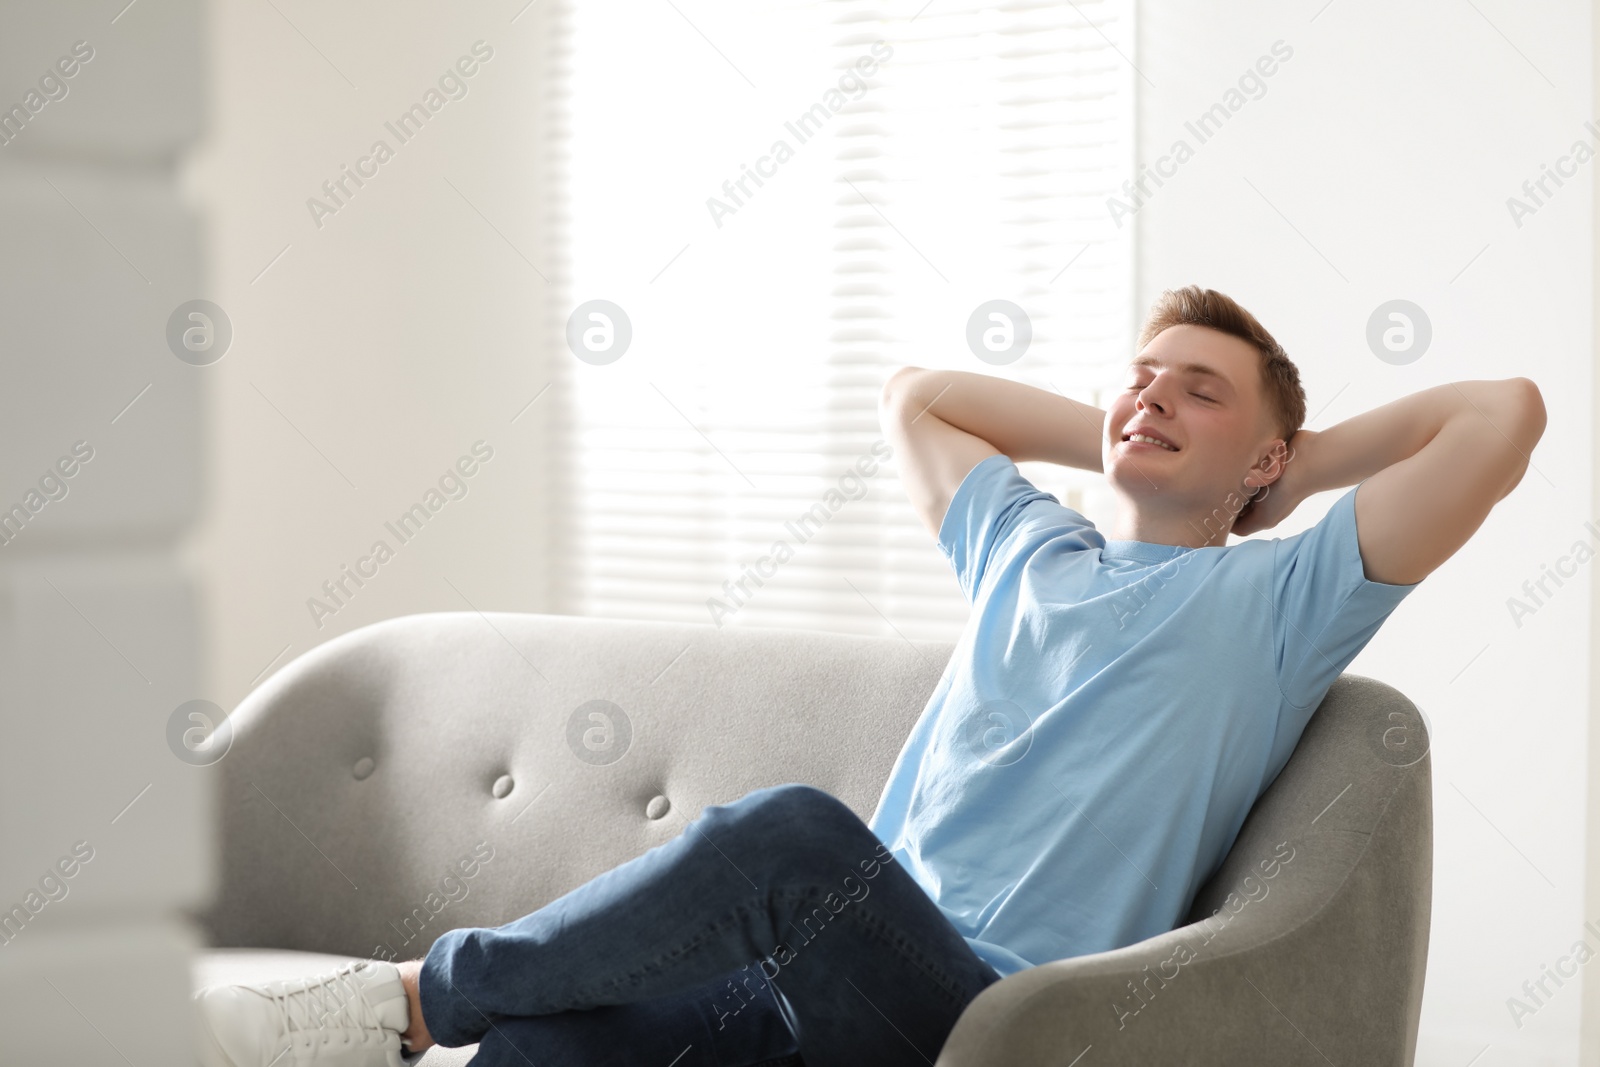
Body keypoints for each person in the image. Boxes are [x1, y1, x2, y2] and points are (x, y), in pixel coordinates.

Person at [191, 286, 1547, 1066]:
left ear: (1265, 459)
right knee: (556, 1042)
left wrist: (1298, 470)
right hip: (806, 993)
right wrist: (1136, 424)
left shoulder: (1281, 597)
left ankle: (403, 1003)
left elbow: (1505, 417)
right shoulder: (1030, 547)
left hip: (981, 1009)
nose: (1152, 394)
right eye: (1139, 375)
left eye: (1199, 387)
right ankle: (455, 1017)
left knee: (790, 837)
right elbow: (916, 396)